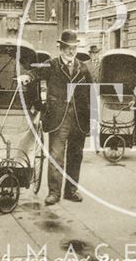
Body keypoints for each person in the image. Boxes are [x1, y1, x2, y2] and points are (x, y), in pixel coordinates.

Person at [18, 30, 93, 206]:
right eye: (67, 47)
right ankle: (54, 192)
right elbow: (35, 73)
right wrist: (27, 77)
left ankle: (71, 190)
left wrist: (91, 120)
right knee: (56, 155)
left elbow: (90, 94)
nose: (71, 51)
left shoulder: (83, 68)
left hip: (79, 119)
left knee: (76, 155)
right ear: (61, 47)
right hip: (58, 118)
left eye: (73, 48)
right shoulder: (52, 64)